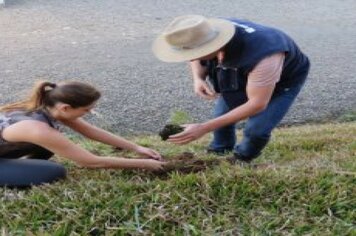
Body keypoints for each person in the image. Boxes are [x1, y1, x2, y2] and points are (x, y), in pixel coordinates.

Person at [152, 15, 310, 163]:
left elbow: (257, 104)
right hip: (241, 68)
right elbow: (194, 55)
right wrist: (198, 78)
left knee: (257, 129)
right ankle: (220, 149)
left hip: (282, 80)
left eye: (196, 53)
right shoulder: (202, 32)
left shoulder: (265, 55)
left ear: (214, 45)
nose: (191, 58)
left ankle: (242, 158)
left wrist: (203, 128)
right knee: (221, 116)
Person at [0, 81, 165, 187]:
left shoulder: (48, 107)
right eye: (86, 110)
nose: (90, 112)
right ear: (65, 107)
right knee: (53, 171)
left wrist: (137, 147)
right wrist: (144, 164)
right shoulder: (37, 129)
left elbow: (91, 131)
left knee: (55, 144)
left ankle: (16, 167)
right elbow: (92, 162)